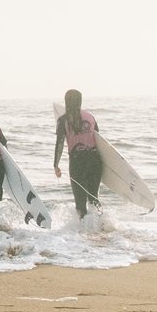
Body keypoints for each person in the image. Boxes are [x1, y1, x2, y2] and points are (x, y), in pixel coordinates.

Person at [54, 88, 103, 218]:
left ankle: (83, 233)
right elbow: (100, 140)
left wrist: (56, 165)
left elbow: (59, 144)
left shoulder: (63, 120)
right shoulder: (90, 117)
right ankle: (100, 226)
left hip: (77, 161)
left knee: (80, 201)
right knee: (94, 198)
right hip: (95, 159)